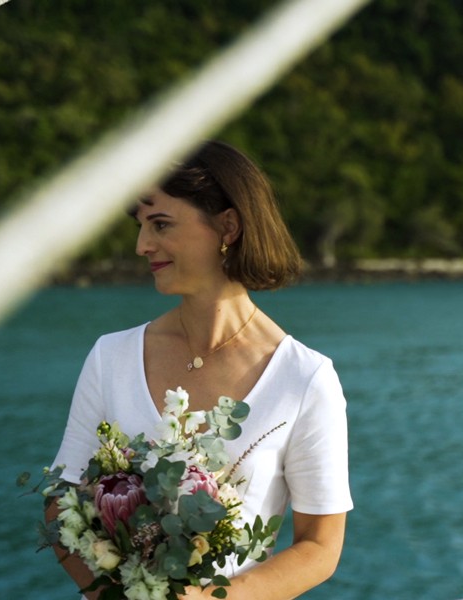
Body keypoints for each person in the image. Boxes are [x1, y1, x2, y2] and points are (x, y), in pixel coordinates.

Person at [46, 141, 353, 599]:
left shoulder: (304, 379)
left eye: (161, 224)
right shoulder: (111, 357)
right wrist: (112, 594)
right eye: (141, 226)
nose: (141, 245)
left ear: (227, 225)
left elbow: (320, 546)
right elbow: (60, 502)